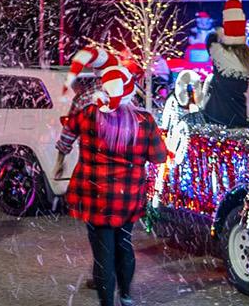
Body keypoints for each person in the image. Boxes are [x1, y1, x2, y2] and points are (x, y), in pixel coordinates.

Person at [55, 50, 168, 306]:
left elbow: (67, 135)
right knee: (124, 245)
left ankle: (107, 301)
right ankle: (126, 296)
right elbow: (159, 157)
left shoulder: (88, 114)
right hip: (128, 197)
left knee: (103, 253)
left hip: (95, 195)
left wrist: (59, 162)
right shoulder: (144, 120)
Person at [204, 0, 249, 128]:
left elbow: (210, 38)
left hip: (217, 119)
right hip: (243, 119)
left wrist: (221, 32)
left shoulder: (218, 53)